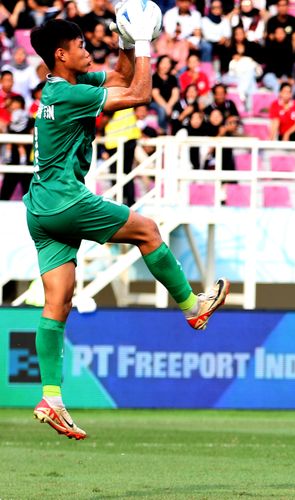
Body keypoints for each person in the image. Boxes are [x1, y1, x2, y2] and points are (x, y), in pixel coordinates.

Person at [26, 16, 228, 441]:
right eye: (80, 45)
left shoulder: (56, 90)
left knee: (58, 301)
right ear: (60, 55)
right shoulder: (71, 94)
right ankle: (193, 307)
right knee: (148, 230)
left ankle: (51, 397)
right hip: (65, 197)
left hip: (40, 208)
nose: (87, 48)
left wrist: (124, 40)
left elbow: (120, 73)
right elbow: (139, 91)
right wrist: (143, 42)